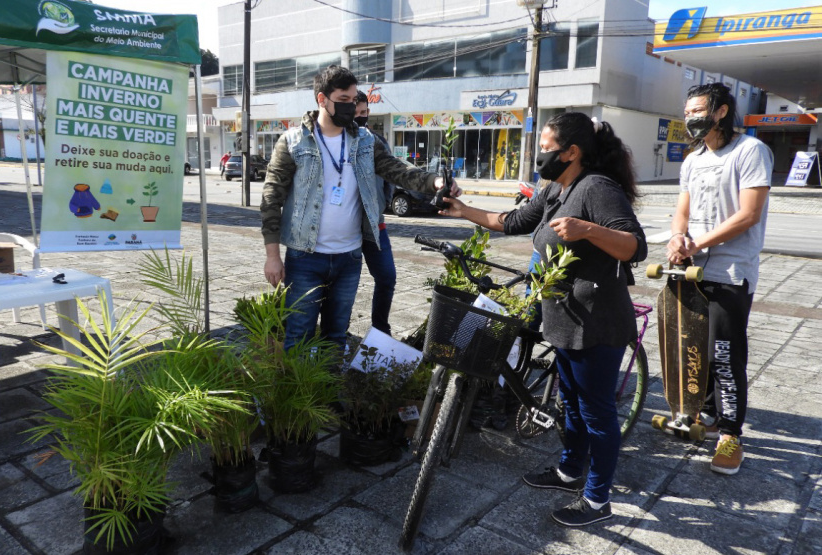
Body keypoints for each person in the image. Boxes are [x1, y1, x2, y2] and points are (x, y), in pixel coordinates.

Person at [439, 112, 647, 527]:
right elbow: (512, 222)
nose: (541, 155)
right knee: (570, 403)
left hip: (596, 321)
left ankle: (597, 501)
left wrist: (587, 229)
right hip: (563, 318)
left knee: (597, 414)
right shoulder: (555, 187)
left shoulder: (597, 188)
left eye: (548, 147)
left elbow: (634, 246)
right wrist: (462, 210)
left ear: (572, 152)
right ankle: (570, 473)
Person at [261, 65, 459, 353]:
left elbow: (396, 170)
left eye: (353, 100)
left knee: (336, 336)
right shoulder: (293, 142)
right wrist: (272, 256)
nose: (351, 107)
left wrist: (435, 181)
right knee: (299, 337)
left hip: (348, 257)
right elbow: (271, 198)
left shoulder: (365, 141)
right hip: (304, 257)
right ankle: (300, 396)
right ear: (321, 99)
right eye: (343, 99)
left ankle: (330, 396)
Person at [668, 83, 772, 476]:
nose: (690, 117)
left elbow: (749, 214)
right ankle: (709, 416)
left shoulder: (750, 151)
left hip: (731, 270)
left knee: (725, 354)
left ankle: (731, 434)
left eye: (697, 110)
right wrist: (680, 237)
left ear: (721, 112)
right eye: (687, 110)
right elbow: (682, 210)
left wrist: (696, 244)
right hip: (694, 269)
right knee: (699, 350)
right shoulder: (693, 159)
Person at [354, 90, 396, 335]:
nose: (360, 117)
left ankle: (380, 329)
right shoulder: (342, 141)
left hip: (375, 225)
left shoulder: (377, 141)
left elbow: (391, 175)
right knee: (344, 284)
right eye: (355, 113)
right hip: (348, 227)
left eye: (363, 112)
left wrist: (382, 204)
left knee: (387, 277)